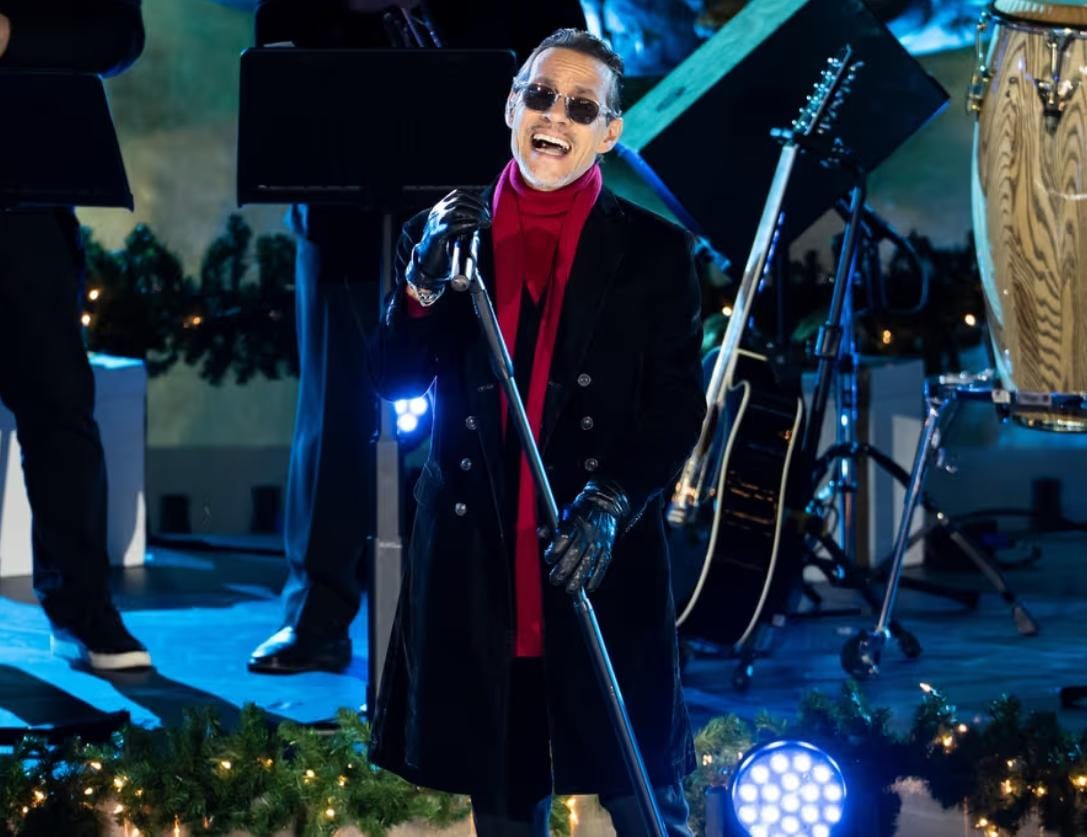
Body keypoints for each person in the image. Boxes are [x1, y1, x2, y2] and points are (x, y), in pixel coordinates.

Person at [368, 28, 705, 836]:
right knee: (504, 790)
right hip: (478, 560)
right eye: (541, 96)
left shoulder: (655, 252)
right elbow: (392, 382)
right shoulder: (444, 233)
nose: (556, 116)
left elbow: (673, 411)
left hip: (591, 553)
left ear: (609, 132)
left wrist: (609, 500)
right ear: (512, 105)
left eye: (581, 106)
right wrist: (418, 288)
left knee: (639, 787)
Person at [247, 0, 588, 673]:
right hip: (342, 195)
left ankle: (495, 614)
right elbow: (278, 34)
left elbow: (561, 44)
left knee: (493, 402)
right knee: (336, 409)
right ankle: (318, 614)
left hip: (484, 198)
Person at [0, 0, 151, 670]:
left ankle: (82, 609)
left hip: (21, 188)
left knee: (58, 402)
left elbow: (117, 33)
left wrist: (13, 33)